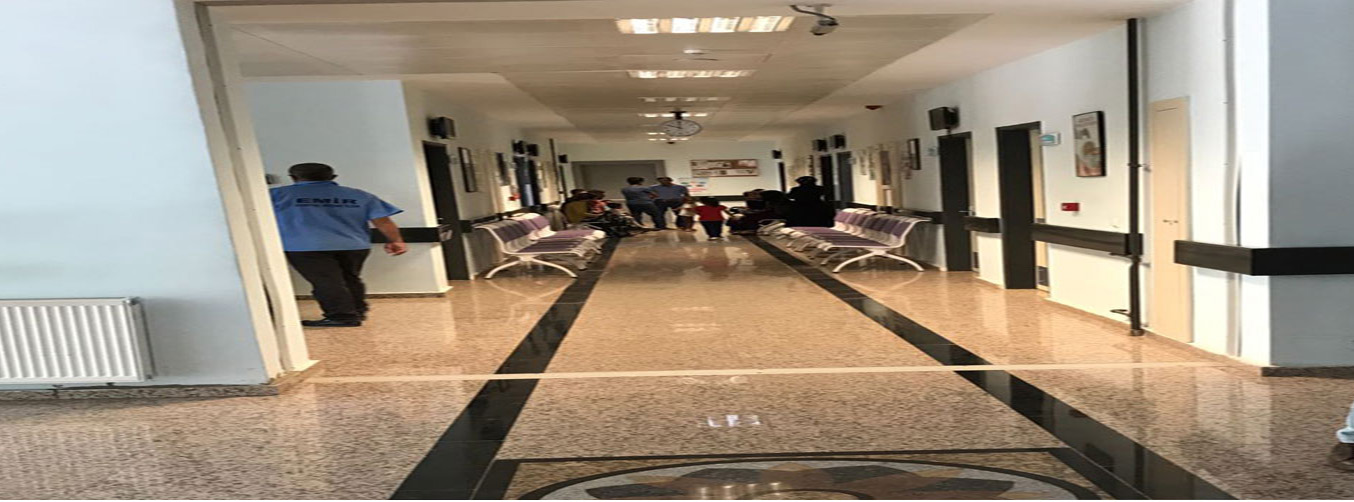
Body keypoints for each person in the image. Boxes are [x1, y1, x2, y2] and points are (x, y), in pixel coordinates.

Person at [271, 163, 406, 328]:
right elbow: (383, 221)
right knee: (350, 278)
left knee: (326, 281)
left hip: (305, 246)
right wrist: (396, 240)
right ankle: (357, 310)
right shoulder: (359, 195)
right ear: (333, 177)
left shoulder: (277, 195)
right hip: (354, 245)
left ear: (293, 178)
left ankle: (342, 316)